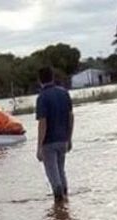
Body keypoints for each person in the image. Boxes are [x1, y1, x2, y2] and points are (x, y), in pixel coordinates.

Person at [35, 66, 74, 201]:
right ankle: (65, 205)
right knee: (61, 171)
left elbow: (43, 123)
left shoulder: (42, 97)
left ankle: (59, 205)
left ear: (40, 80)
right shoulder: (64, 93)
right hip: (63, 139)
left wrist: (39, 147)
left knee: (53, 174)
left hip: (49, 142)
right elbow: (70, 117)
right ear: (52, 77)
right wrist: (69, 138)